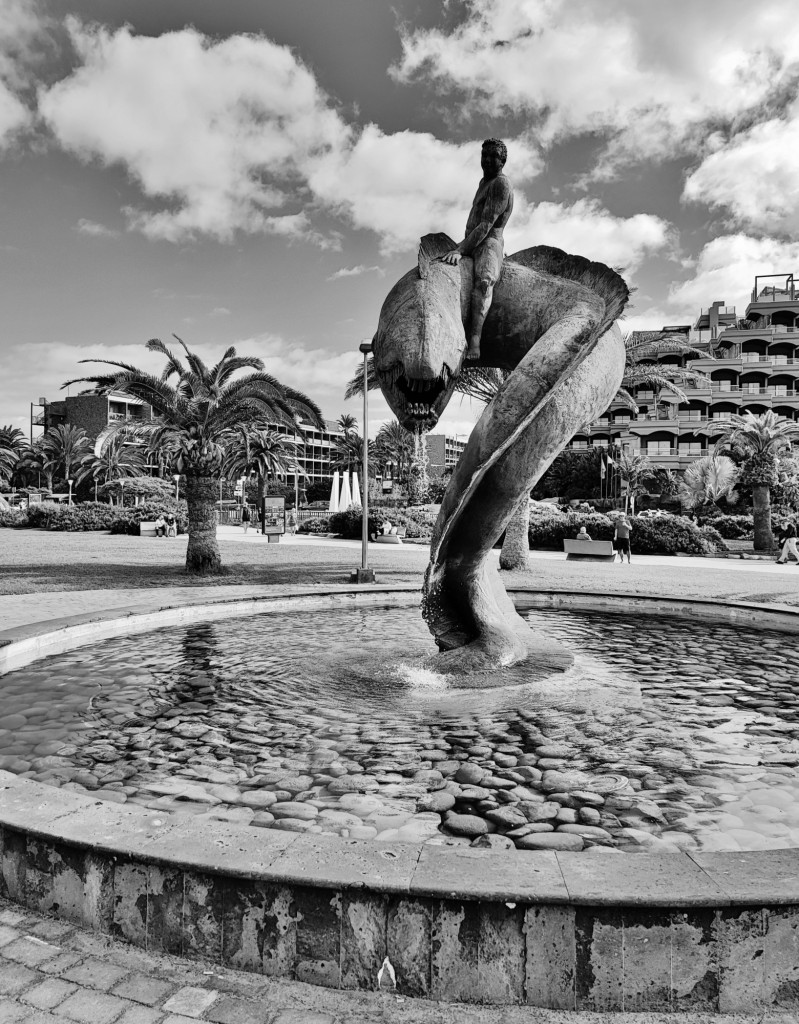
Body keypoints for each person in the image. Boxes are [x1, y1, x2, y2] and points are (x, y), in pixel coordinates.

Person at [440, 138, 514, 361]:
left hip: (489, 242)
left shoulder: (501, 184)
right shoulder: (483, 182)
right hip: (472, 240)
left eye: (493, 156)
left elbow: (486, 224)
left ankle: (475, 339)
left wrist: (461, 249)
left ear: (502, 161)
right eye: (484, 155)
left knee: (484, 281)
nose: (487, 160)